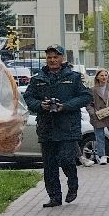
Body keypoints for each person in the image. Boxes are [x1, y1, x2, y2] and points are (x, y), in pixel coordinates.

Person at [25, 45, 92, 207]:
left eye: (56, 57)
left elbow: (86, 96)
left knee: (67, 159)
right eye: (49, 57)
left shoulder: (73, 77)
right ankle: (54, 197)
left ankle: (73, 184)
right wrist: (41, 105)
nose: (52, 60)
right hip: (47, 127)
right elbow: (28, 98)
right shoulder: (38, 78)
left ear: (62, 58)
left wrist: (66, 106)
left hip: (67, 127)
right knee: (49, 165)